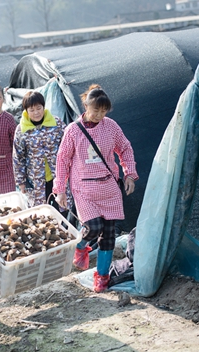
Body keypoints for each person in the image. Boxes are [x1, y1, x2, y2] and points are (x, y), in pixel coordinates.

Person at [54, 84, 138, 293]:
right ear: (85, 106)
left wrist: (129, 174)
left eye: (103, 111)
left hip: (109, 187)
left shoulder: (111, 126)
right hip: (84, 188)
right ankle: (80, 247)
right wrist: (60, 189)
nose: (100, 115)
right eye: (96, 110)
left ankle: (102, 276)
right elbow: (62, 160)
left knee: (108, 235)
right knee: (93, 226)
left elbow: (125, 148)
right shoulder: (73, 131)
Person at [13, 90, 71, 210]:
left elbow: (68, 147)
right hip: (35, 179)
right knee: (41, 213)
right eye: (32, 110)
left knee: (63, 209)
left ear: (44, 107)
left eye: (39, 108)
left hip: (58, 176)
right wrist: (21, 182)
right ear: (26, 111)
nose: (36, 113)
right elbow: (18, 157)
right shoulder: (21, 129)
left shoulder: (57, 123)